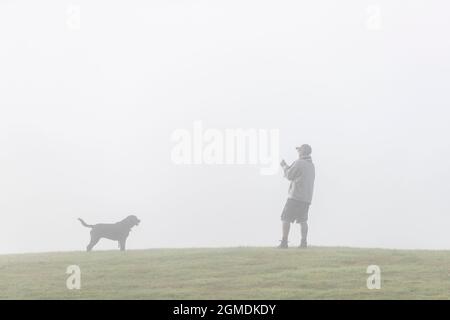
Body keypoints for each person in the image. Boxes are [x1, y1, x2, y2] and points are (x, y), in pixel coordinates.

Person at [278, 144, 315, 249]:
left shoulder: (299, 162)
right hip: (306, 198)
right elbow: (298, 174)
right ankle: (304, 243)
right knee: (303, 220)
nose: (298, 152)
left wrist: (284, 166)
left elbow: (290, 175)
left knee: (286, 218)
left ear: (302, 151)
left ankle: (284, 242)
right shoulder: (311, 165)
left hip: (295, 196)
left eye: (299, 150)